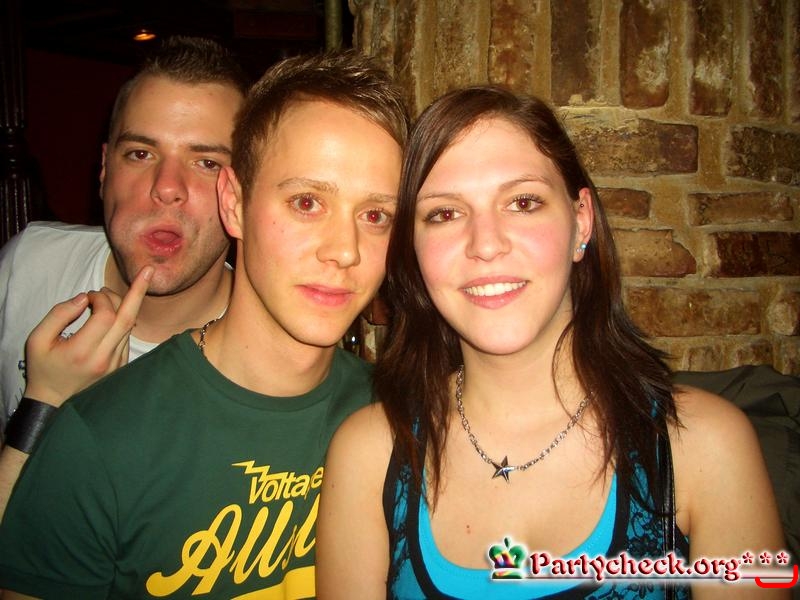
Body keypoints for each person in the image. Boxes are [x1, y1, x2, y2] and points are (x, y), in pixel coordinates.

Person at [316, 86, 788, 599]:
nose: (486, 245)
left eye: (523, 202)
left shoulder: (704, 446)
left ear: (581, 221)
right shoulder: (369, 454)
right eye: (445, 214)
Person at [0, 49, 408, 599]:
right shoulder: (97, 438)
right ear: (234, 202)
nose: (345, 250)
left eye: (376, 215)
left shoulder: (395, 416)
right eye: (307, 202)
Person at [0, 35, 248, 513]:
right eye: (140, 153)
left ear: (242, 193)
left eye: (206, 163)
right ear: (103, 169)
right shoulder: (26, 264)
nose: (167, 188)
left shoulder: (266, 358)